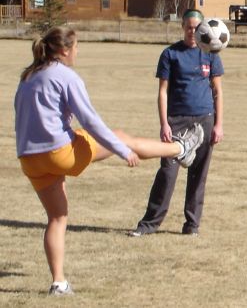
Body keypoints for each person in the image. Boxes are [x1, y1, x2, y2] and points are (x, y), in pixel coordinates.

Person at [14, 26, 203, 296]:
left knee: (57, 217)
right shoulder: (66, 77)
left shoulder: (28, 76)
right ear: (65, 50)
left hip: (30, 159)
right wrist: (120, 150)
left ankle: (59, 282)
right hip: (60, 153)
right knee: (121, 137)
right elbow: (90, 121)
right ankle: (179, 148)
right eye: (76, 47)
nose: (78, 52)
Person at [130, 9, 224, 237]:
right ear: (182, 27)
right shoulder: (170, 54)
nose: (193, 31)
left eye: (197, 27)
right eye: (189, 27)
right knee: (167, 174)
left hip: (205, 120)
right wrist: (164, 123)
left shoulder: (211, 54)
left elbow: (218, 91)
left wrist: (218, 124)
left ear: (203, 29)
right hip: (177, 122)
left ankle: (192, 225)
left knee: (198, 176)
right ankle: (149, 224)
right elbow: (163, 92)